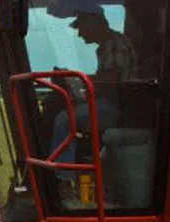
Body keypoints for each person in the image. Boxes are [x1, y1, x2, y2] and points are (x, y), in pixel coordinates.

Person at [50, 6, 137, 183]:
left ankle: (62, 181)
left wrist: (73, 78)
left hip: (117, 107)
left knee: (63, 121)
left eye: (81, 27)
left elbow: (110, 82)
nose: (80, 34)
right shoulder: (108, 44)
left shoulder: (114, 43)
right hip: (112, 102)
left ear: (94, 22)